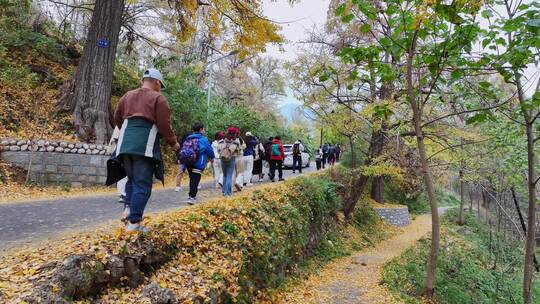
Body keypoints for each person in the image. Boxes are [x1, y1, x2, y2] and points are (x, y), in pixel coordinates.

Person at [113, 68, 180, 232]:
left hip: (123, 145)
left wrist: (127, 134)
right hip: (144, 145)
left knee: (132, 179)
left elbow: (117, 117)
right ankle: (134, 223)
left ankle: (128, 209)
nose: (160, 88)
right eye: (160, 85)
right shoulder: (158, 98)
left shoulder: (127, 96)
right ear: (157, 82)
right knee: (143, 184)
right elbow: (164, 125)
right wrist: (174, 143)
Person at [180, 122, 215, 205]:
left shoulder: (188, 138)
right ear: (201, 129)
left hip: (188, 161)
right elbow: (209, 150)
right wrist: (212, 157)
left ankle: (192, 196)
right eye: (203, 129)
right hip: (198, 162)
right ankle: (191, 197)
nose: (204, 130)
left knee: (192, 179)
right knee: (195, 179)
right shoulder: (204, 139)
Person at [218, 127, 241, 196]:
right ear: (235, 134)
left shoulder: (221, 141)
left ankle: (224, 191)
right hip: (231, 159)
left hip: (222, 159)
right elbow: (239, 151)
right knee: (229, 176)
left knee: (225, 175)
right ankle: (227, 193)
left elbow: (218, 150)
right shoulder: (236, 142)